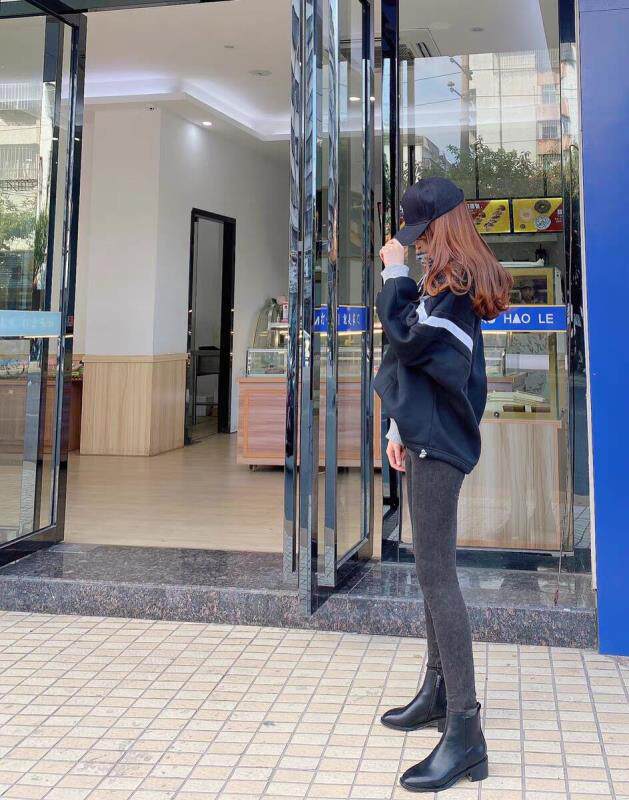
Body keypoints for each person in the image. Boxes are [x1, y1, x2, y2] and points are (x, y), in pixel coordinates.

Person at [374, 177, 512, 793]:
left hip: (440, 444)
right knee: (432, 570)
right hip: (425, 436)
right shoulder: (448, 281)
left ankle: (465, 731)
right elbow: (418, 362)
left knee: (438, 576)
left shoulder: (454, 286)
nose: (417, 243)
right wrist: (398, 426)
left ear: (439, 228)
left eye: (421, 233)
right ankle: (437, 692)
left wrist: (394, 274)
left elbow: (408, 338)